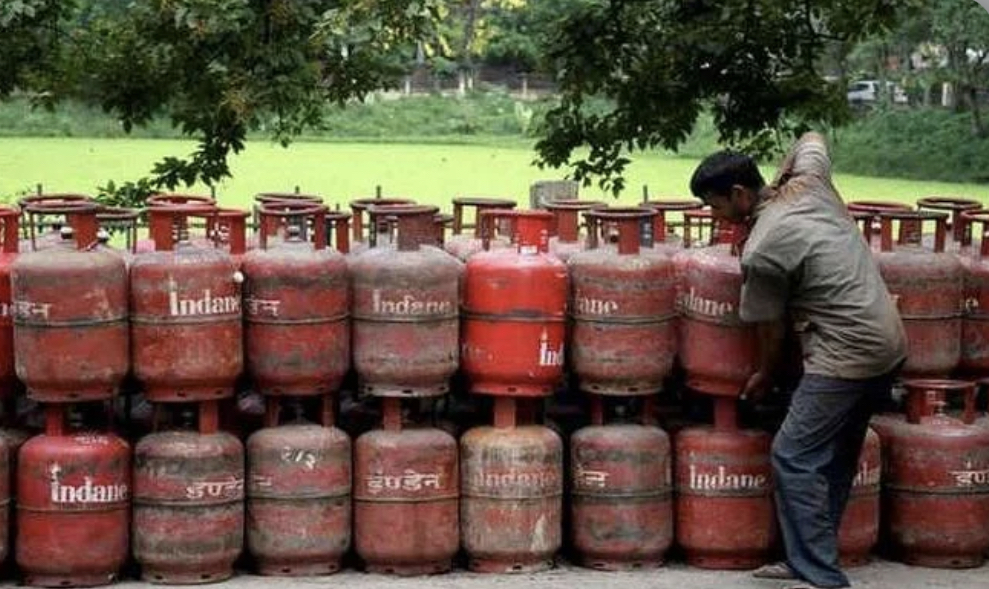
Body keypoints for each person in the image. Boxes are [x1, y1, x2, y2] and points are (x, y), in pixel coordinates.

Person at [688, 132, 907, 589]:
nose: (714, 216)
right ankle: (808, 557)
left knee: (792, 454)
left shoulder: (763, 247)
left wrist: (764, 374)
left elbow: (770, 328)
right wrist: (784, 175)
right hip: (889, 343)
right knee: (837, 454)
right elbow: (812, 138)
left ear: (739, 194)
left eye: (715, 206)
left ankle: (820, 574)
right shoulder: (811, 183)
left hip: (846, 355)